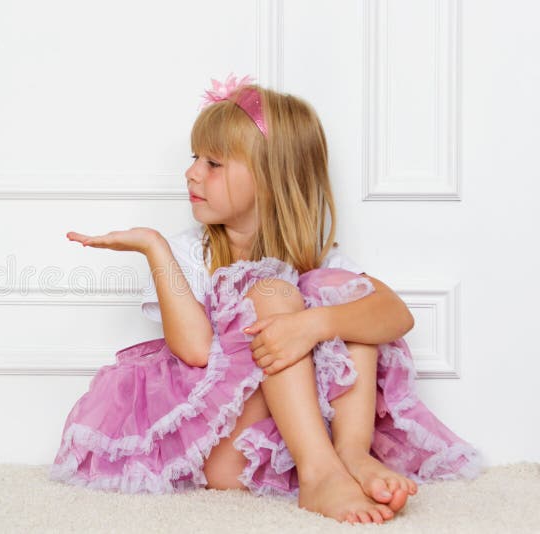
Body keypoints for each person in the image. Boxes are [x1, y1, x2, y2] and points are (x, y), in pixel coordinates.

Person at [50, 74, 481, 524]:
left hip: (281, 447)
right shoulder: (188, 253)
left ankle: (350, 456)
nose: (192, 172)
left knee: (346, 299)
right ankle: (319, 475)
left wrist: (314, 324)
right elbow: (195, 350)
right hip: (221, 448)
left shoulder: (317, 260)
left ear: (271, 178)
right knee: (275, 292)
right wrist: (154, 246)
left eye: (213, 163)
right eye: (195, 157)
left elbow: (395, 314)